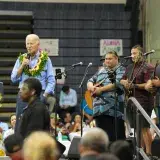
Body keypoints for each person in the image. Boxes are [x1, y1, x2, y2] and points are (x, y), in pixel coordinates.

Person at [11, 34, 56, 131]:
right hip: (23, 96)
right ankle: (20, 144)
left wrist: (44, 94)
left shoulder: (46, 59)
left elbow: (51, 80)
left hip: (39, 96)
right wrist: (22, 66)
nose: (29, 46)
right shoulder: (21, 58)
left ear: (38, 44)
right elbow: (13, 78)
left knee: (37, 124)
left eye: (31, 43)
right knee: (20, 122)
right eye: (27, 44)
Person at [120, 45, 154, 155]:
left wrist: (134, 85)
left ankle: (148, 153)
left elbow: (149, 85)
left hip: (143, 101)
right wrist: (124, 82)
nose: (132, 55)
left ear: (141, 54)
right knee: (137, 129)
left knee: (144, 127)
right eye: (131, 53)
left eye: (135, 53)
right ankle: (140, 152)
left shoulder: (148, 67)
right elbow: (122, 79)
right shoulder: (130, 67)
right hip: (131, 101)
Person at [87, 51, 126, 141]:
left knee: (117, 137)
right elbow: (90, 80)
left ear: (116, 59)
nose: (107, 61)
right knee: (102, 138)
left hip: (115, 109)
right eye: (106, 59)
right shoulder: (101, 70)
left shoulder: (122, 70)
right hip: (99, 109)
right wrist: (92, 87)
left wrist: (101, 89)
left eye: (110, 59)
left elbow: (117, 83)